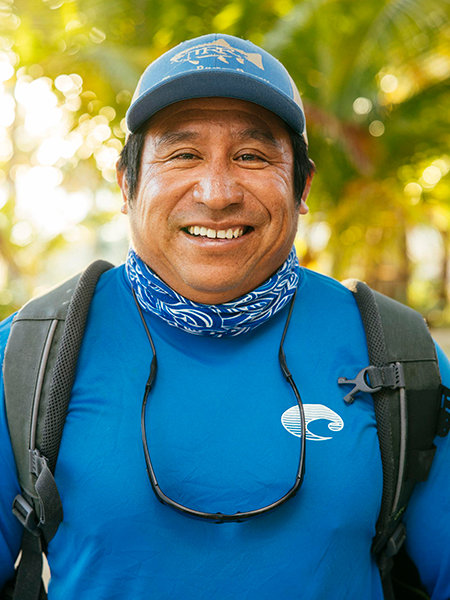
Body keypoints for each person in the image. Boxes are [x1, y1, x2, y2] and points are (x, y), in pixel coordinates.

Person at [0, 33, 449, 600]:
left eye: (252, 156)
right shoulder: (29, 358)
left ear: (301, 185)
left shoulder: (397, 352)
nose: (216, 193)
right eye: (183, 154)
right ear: (126, 182)